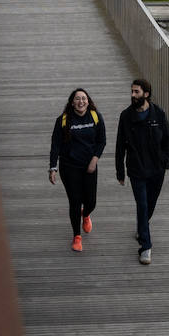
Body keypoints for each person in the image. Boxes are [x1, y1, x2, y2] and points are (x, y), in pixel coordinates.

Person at [115, 78, 169, 265]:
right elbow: (119, 146)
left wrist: (165, 161)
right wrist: (120, 171)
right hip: (136, 169)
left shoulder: (159, 114)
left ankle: (142, 227)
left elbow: (168, 140)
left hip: (157, 169)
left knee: (150, 204)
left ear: (146, 94)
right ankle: (145, 247)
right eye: (132, 91)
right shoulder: (126, 116)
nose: (133, 95)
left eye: (136, 92)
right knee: (142, 205)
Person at [48, 88, 105, 252]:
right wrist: (53, 168)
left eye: (84, 98)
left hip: (89, 166)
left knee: (91, 202)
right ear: (72, 102)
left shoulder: (95, 117)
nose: (81, 101)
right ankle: (77, 236)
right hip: (69, 167)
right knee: (74, 201)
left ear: (88, 101)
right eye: (77, 99)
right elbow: (55, 145)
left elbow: (102, 141)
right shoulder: (63, 120)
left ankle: (86, 214)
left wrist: (94, 160)